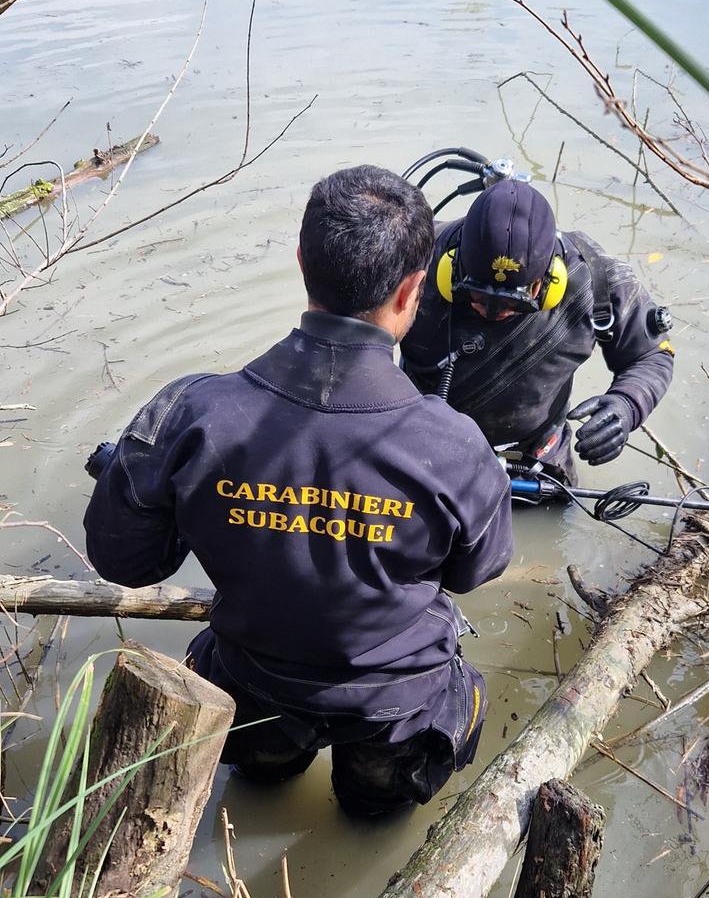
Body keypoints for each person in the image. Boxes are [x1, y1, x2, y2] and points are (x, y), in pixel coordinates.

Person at [83, 166, 513, 816]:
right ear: (412, 290)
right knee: (374, 815)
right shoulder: (455, 446)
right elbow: (475, 571)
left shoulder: (192, 412)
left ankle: (267, 776)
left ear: (301, 262)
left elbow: (124, 561)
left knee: (257, 784)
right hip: (396, 708)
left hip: (254, 684)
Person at [400, 177, 674, 483]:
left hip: (533, 460)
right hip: (418, 445)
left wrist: (627, 404)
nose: (493, 312)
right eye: (478, 296)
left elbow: (651, 355)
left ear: (548, 280)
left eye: (513, 302)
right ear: (453, 268)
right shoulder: (414, 258)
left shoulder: (594, 278)